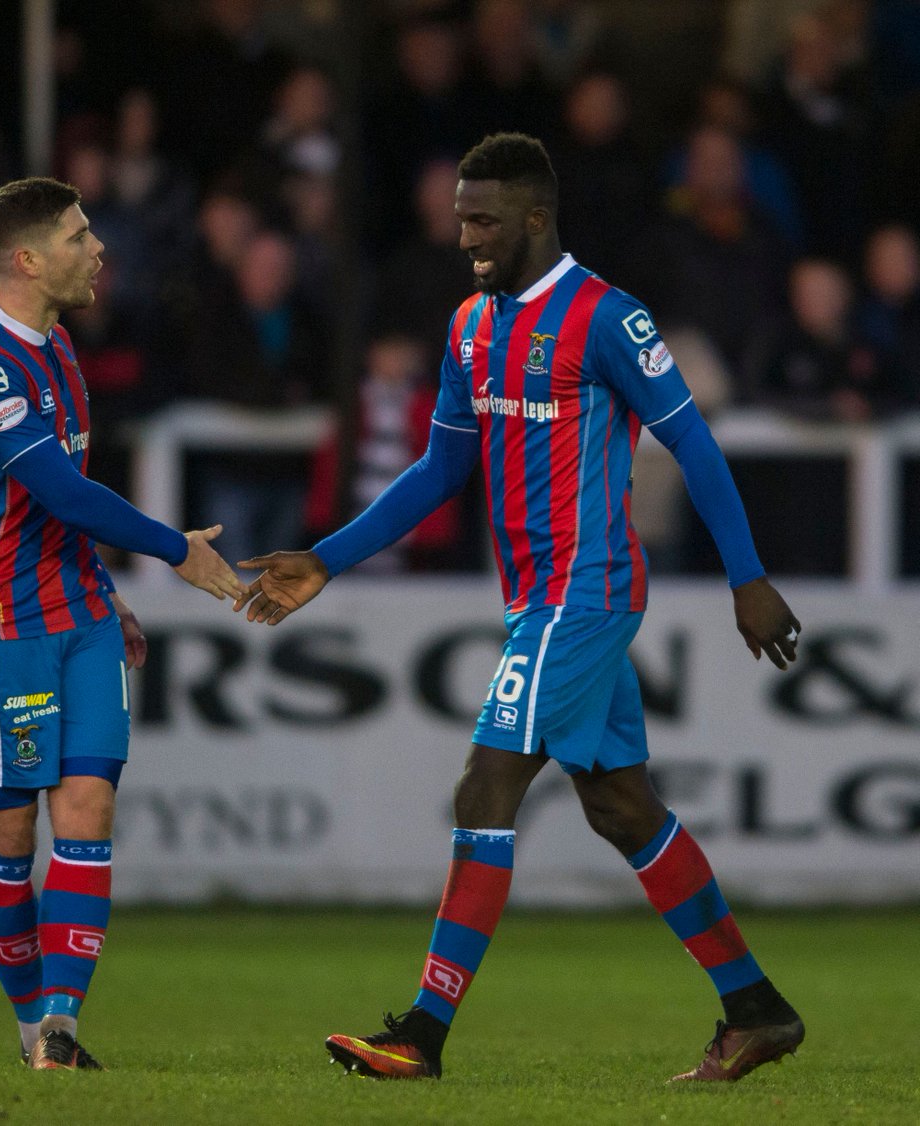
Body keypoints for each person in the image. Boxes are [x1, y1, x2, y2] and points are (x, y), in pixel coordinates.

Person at [235, 133, 805, 1083]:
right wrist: (328, 559)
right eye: (462, 218)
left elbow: (695, 446)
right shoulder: (470, 326)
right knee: (621, 806)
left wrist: (746, 577)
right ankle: (757, 1010)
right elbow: (439, 470)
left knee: (484, 789)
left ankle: (421, 1035)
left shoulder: (607, 318)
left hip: (584, 592)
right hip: (537, 599)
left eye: (484, 220)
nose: (466, 236)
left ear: (536, 218)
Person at [0, 177, 245, 1071]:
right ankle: (30, 1025)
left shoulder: (61, 350)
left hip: (79, 611)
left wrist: (107, 591)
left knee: (89, 808)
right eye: (77, 236)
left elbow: (61, 510)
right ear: (27, 260)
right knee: (10, 837)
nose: (98, 247)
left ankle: (60, 1032)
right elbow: (60, 490)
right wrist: (174, 549)